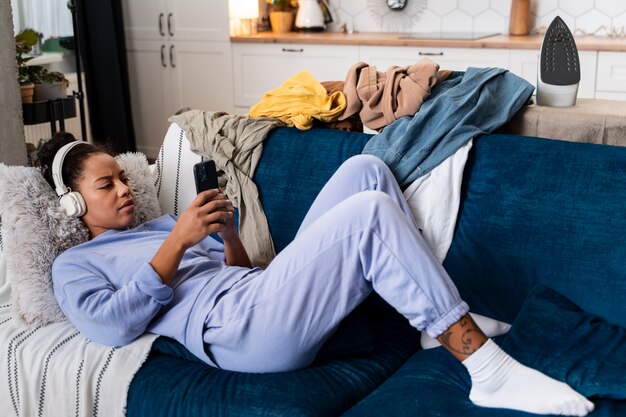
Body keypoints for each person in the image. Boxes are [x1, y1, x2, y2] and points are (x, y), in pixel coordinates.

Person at [40, 134, 594, 417]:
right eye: (105, 185)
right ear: (71, 205)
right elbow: (110, 326)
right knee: (367, 217)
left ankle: (431, 322)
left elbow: (235, 273)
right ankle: (484, 367)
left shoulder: (159, 223)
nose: (125, 189)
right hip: (239, 334)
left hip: (255, 292)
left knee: (365, 171)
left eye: (122, 178)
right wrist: (177, 242)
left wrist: (227, 236)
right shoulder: (76, 265)